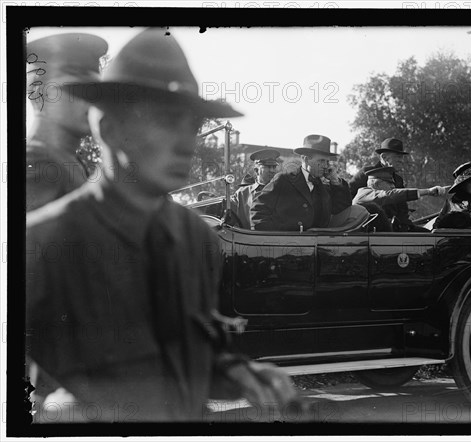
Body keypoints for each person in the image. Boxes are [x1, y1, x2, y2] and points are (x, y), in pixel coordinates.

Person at [26, 28, 296, 422]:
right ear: (111, 129)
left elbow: (186, 353)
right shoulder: (41, 244)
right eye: (168, 121)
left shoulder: (197, 238)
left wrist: (237, 372)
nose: (188, 142)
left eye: (193, 124)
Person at [26, 33, 108, 212]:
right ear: (40, 93)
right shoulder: (37, 163)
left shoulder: (66, 160)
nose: (92, 102)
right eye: (78, 90)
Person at [251, 134, 353, 231]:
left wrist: (335, 181)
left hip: (316, 245)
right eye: (321, 161)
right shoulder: (284, 180)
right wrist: (272, 239)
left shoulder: (324, 187)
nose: (326, 166)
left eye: (327, 162)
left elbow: (342, 209)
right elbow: (258, 210)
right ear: (305, 159)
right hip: (284, 244)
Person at [352, 166, 448, 232]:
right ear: (376, 184)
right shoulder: (364, 193)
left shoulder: (376, 198)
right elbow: (389, 195)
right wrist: (428, 191)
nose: (393, 187)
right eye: (389, 183)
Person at [230, 149, 280, 229]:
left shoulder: (283, 192)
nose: (272, 171)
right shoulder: (242, 194)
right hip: (249, 239)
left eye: (274, 167)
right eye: (267, 167)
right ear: (256, 171)